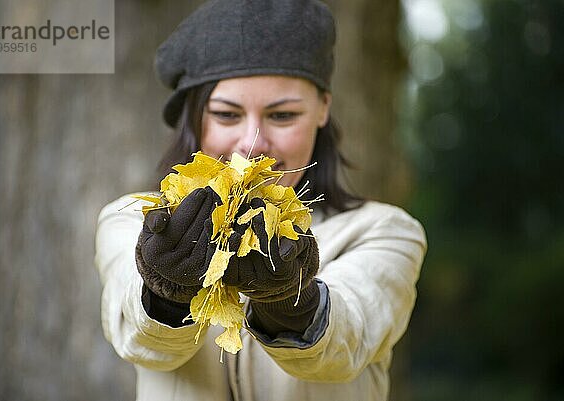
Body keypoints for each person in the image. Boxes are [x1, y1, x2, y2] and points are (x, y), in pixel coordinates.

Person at [94, 1, 427, 400]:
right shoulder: (133, 221)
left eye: (282, 116)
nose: (252, 144)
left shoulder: (386, 231)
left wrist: (292, 303)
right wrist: (165, 289)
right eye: (227, 115)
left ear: (323, 108)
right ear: (195, 117)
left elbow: (348, 340)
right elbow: (140, 339)